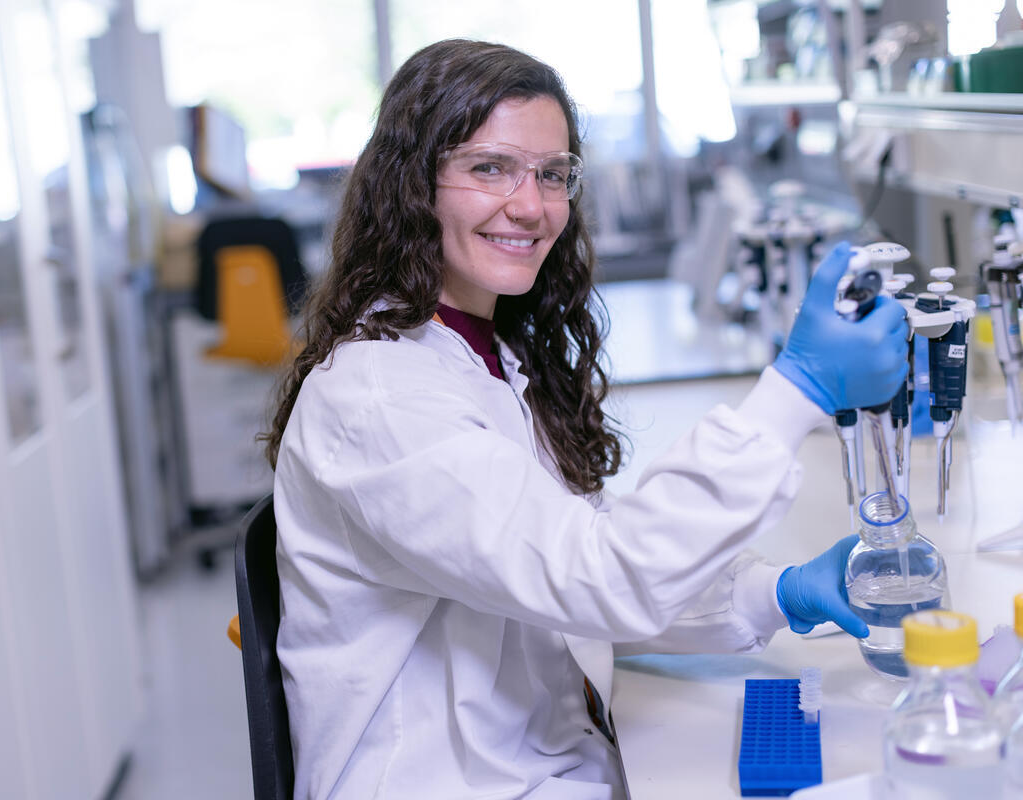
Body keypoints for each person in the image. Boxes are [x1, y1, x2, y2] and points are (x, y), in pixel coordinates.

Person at [261, 39, 908, 799]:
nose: (531, 206)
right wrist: (797, 391)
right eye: (489, 167)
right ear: (413, 185)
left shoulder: (483, 355)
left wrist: (776, 594)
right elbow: (596, 580)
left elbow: (563, 581)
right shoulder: (379, 401)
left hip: (539, 763)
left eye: (552, 174)